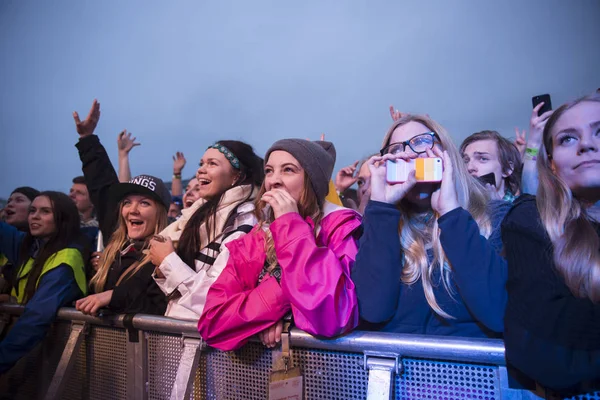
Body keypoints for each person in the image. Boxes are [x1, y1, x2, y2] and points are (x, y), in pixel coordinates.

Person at [352, 114, 509, 337]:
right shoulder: (381, 225)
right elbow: (373, 311)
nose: (410, 155)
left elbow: (498, 313)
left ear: (445, 151)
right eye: (397, 150)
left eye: (421, 142)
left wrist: (451, 213)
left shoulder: (497, 217)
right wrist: (381, 207)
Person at [198, 139, 361, 351]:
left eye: (288, 170)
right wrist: (275, 311)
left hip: (330, 373)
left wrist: (290, 225)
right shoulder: (257, 236)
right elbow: (213, 324)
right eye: (269, 171)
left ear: (312, 181)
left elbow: (331, 315)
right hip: (254, 377)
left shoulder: (341, 227)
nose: (274, 180)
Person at [501, 93, 600, 391]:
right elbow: (549, 353)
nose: (586, 144)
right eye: (568, 139)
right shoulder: (531, 220)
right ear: (552, 164)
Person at [71, 99, 168, 316]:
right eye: (127, 202)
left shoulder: (169, 254)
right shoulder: (117, 241)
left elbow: (160, 307)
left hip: (145, 348)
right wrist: (87, 139)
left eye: (144, 203)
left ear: (160, 213)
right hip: (103, 347)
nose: (133, 210)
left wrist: (112, 297)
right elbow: (102, 185)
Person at [148, 141, 264, 321]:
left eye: (212, 163)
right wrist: (163, 270)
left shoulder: (245, 220)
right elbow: (179, 293)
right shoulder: (200, 214)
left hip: (205, 341)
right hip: (176, 330)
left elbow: (217, 298)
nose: (201, 170)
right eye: (201, 163)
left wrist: (168, 261)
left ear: (237, 175)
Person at [0, 191, 87, 373]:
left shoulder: (67, 259)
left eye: (45, 211)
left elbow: (36, 318)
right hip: (26, 352)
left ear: (63, 219)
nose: (35, 217)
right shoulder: (30, 245)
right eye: (32, 210)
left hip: (43, 356)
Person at [460, 130, 522, 202]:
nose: (469, 167)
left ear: (507, 169)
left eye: (483, 158)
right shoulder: (459, 208)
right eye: (466, 161)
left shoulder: (525, 209)